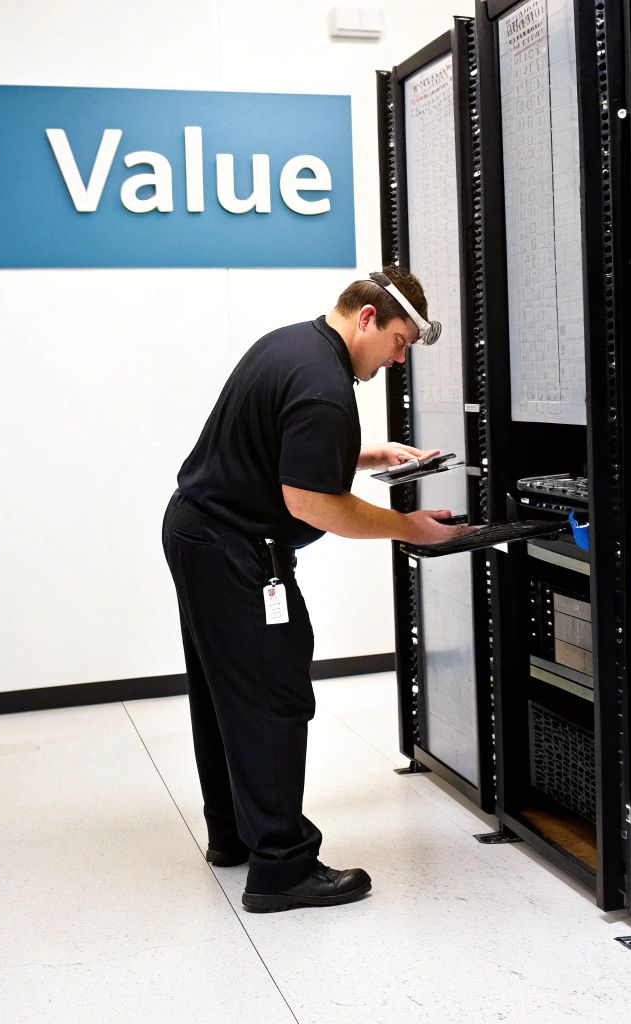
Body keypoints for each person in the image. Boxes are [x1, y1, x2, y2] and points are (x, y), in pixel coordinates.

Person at [161, 266, 470, 913]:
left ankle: (234, 836)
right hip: (233, 550)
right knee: (273, 695)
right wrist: (407, 528)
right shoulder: (326, 385)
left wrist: (365, 453)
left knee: (228, 694)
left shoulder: (292, 346)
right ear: (366, 318)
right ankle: (281, 867)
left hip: (199, 535)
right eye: (398, 342)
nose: (395, 359)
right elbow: (310, 503)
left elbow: (279, 448)